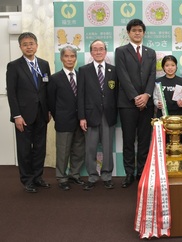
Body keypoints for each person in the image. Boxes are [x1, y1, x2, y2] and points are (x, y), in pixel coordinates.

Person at [6, 32, 51, 193]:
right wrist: (16, 115)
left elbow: (47, 89)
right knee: (25, 149)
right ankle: (27, 180)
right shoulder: (14, 66)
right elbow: (11, 93)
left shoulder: (44, 64)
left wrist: (49, 111)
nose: (29, 46)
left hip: (42, 114)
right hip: (23, 116)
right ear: (20, 47)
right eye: (25, 44)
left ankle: (38, 177)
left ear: (36, 45)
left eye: (31, 43)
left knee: (40, 148)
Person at [115, 19, 156, 188]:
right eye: (134, 30)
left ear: (143, 33)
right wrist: (135, 97)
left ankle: (142, 172)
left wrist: (146, 95)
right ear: (128, 33)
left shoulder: (150, 52)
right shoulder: (121, 51)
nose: (137, 33)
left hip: (147, 104)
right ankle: (129, 173)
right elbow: (122, 76)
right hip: (127, 103)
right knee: (129, 140)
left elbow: (152, 76)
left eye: (140, 30)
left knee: (145, 140)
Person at [78, 39, 118, 191]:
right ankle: (92, 176)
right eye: (95, 49)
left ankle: (107, 176)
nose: (98, 51)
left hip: (108, 115)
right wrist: (82, 117)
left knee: (108, 147)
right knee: (91, 147)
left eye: (101, 49)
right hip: (90, 115)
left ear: (106, 51)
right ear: (91, 52)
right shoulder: (84, 70)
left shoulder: (113, 70)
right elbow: (80, 95)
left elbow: (116, 93)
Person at [47, 46, 85, 191]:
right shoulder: (55, 78)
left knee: (79, 149)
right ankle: (62, 177)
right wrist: (58, 117)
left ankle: (74, 174)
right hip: (63, 120)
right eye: (67, 56)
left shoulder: (81, 76)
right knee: (63, 151)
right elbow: (51, 101)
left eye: (72, 56)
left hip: (80, 120)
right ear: (62, 58)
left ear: (76, 58)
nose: (70, 59)